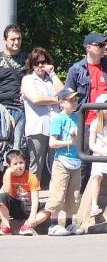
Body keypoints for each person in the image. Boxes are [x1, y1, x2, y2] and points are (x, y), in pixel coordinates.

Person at [64, 33, 107, 190]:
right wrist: (71, 123)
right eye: (100, 45)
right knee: (82, 164)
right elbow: (68, 98)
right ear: (88, 48)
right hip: (85, 123)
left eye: (106, 45)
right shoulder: (76, 70)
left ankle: (100, 204)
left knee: (106, 164)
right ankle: (80, 202)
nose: (105, 48)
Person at [44, 88, 84, 235]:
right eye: (71, 100)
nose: (75, 102)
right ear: (61, 103)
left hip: (76, 161)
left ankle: (69, 223)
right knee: (58, 192)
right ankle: (53, 224)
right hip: (61, 161)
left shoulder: (77, 118)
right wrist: (69, 142)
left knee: (73, 194)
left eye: (76, 99)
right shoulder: (58, 119)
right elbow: (52, 143)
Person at [20, 47, 63, 184]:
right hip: (37, 128)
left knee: (56, 164)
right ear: (31, 65)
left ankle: (54, 200)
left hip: (55, 128)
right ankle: (32, 200)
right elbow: (36, 99)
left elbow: (64, 94)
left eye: (43, 62)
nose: (39, 65)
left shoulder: (51, 80)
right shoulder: (27, 80)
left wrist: (53, 73)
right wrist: (56, 100)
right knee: (36, 165)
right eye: (36, 62)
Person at [0, 149, 49, 235]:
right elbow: (7, 193)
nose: (19, 166)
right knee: (1, 197)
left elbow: (35, 198)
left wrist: (32, 216)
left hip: (29, 207)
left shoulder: (31, 177)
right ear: (9, 166)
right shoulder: (7, 175)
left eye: (21, 162)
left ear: (25, 162)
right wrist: (7, 173)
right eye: (15, 164)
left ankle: (27, 226)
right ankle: (6, 227)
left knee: (49, 208)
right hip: (15, 207)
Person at [0, 25, 28, 150]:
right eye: (12, 39)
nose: (16, 42)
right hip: (1, 109)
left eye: (19, 39)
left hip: (20, 109)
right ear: (4, 40)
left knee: (17, 150)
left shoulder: (28, 59)